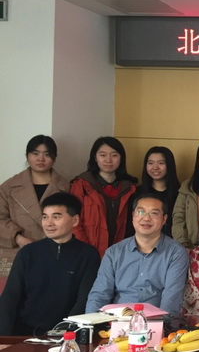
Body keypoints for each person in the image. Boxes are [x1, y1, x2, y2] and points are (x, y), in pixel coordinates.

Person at [0, 193, 100, 336]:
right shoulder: (28, 253)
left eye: (56, 217)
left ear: (75, 220)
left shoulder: (88, 255)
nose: (48, 223)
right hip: (23, 333)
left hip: (67, 334)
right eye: (45, 217)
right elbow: (10, 297)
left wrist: (67, 331)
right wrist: (4, 338)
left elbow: (84, 300)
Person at [86, 194, 190, 318]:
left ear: (164, 219)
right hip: (116, 321)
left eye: (154, 213)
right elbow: (99, 295)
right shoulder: (114, 252)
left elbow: (171, 298)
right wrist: (91, 324)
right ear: (133, 216)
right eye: (140, 212)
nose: (146, 218)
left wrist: (161, 326)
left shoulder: (176, 253)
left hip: (156, 322)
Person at [70, 136, 138, 257]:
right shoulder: (82, 184)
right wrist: (86, 250)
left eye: (114, 155)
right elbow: (73, 221)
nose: (108, 160)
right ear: (95, 158)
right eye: (103, 155)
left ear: (121, 158)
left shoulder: (130, 188)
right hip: (87, 252)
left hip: (120, 253)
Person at [0, 135, 70, 249]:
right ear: (27, 156)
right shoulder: (9, 186)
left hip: (55, 250)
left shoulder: (66, 187)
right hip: (17, 250)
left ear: (54, 157)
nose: (40, 159)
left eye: (47, 154)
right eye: (35, 153)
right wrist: (18, 238)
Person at [137, 146, 180, 235]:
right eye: (150, 163)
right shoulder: (137, 192)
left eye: (161, 163)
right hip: (145, 239)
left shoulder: (180, 193)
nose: (155, 167)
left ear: (169, 165)